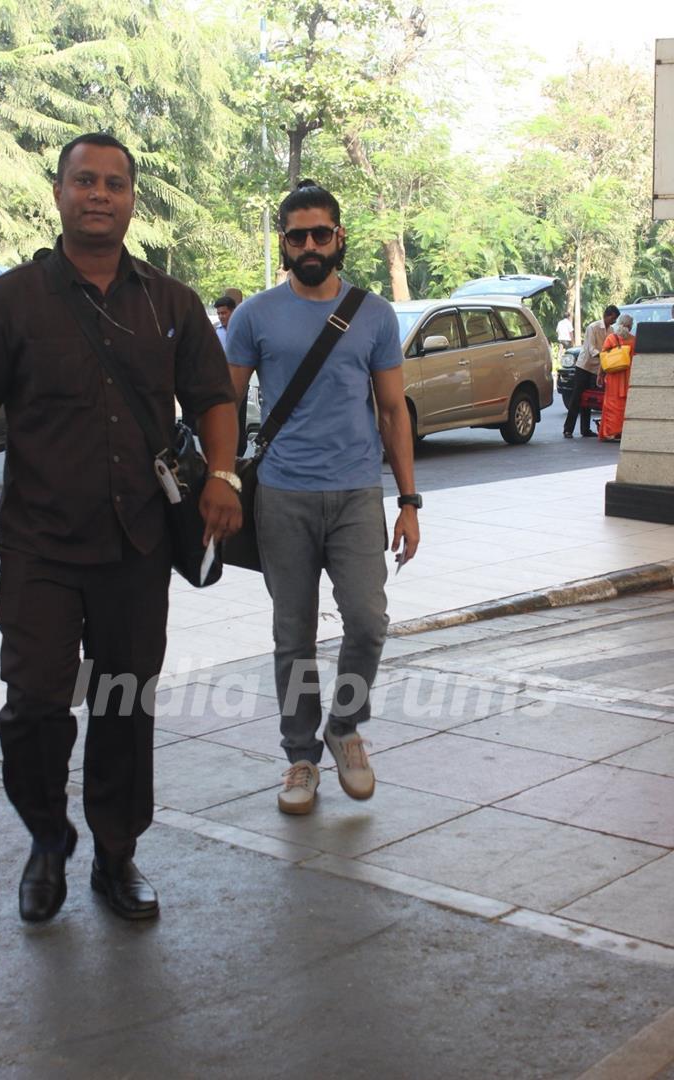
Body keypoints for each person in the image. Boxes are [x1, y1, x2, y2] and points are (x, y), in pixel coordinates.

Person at [0, 133, 242, 923]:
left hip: (138, 545)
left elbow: (214, 397)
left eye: (115, 183)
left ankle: (117, 855)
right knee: (35, 706)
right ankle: (49, 840)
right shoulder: (9, 302)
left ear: (131, 200)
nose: (100, 195)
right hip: (41, 546)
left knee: (124, 704)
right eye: (85, 181)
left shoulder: (170, 302)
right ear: (59, 193)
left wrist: (222, 475)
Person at [226, 179, 421, 815]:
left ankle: (344, 727)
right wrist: (221, 480)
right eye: (296, 235)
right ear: (283, 243)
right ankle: (300, 757)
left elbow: (393, 412)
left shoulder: (374, 314)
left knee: (369, 622)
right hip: (281, 497)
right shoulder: (255, 314)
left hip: (358, 494)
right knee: (294, 637)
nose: (309, 244)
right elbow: (224, 405)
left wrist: (410, 502)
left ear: (340, 237)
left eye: (320, 233)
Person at [563, 304, 620, 438]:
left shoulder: (611, 330)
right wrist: (605, 355)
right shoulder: (593, 327)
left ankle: (585, 429)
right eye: (613, 318)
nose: (614, 321)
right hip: (585, 366)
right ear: (607, 315)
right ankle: (568, 429)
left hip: (597, 368)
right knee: (577, 398)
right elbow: (591, 349)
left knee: (588, 399)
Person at [213, 294, 248, 455]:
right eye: (219, 313)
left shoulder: (243, 330)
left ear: (233, 312)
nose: (221, 317)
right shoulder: (215, 332)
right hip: (219, 384)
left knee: (238, 420)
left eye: (224, 313)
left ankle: (239, 454)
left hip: (239, 382)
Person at [598, 313, 636, 442]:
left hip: (613, 376)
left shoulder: (611, 338)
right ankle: (622, 431)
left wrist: (600, 374)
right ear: (630, 326)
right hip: (627, 376)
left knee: (611, 405)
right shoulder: (633, 340)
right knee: (624, 405)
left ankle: (610, 432)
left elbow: (603, 359)